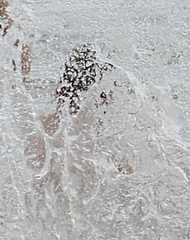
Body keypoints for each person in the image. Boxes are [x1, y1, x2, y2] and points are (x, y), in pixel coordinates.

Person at [25, 45, 130, 184]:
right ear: (103, 98)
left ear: (59, 90)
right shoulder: (105, 146)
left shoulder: (33, 129)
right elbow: (129, 185)